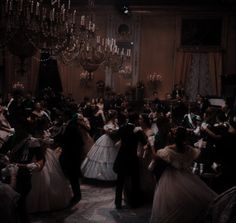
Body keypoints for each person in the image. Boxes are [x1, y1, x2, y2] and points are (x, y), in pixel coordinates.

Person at [150, 126, 217, 223]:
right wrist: (199, 146)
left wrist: (151, 145)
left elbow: (155, 157)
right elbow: (197, 156)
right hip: (187, 176)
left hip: (170, 178)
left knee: (169, 203)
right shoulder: (188, 149)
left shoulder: (169, 151)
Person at [113, 111, 148, 209]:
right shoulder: (137, 130)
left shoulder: (122, 127)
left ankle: (118, 202)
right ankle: (134, 202)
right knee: (134, 181)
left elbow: (116, 137)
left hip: (122, 156)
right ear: (136, 119)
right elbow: (144, 142)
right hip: (132, 157)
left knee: (120, 181)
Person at [81, 110, 119, 181]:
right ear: (113, 116)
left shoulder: (115, 123)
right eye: (116, 115)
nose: (116, 116)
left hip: (114, 141)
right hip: (107, 139)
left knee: (112, 156)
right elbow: (109, 131)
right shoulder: (109, 124)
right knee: (105, 156)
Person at [57, 108, 84, 206]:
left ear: (67, 116)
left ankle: (77, 195)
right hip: (72, 154)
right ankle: (77, 194)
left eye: (63, 115)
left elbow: (69, 140)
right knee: (73, 176)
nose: (61, 117)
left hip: (72, 155)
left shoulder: (71, 126)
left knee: (73, 176)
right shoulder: (71, 125)